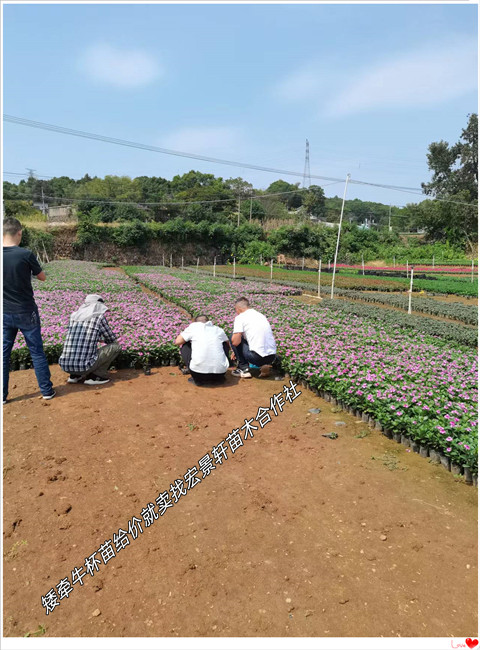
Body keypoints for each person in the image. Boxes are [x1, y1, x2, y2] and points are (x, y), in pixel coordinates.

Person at [3, 217, 55, 404]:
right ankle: (47, 391)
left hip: (4, 313)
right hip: (26, 311)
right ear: (19, 232)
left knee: (4, 353)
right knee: (36, 351)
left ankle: (2, 396)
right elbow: (42, 277)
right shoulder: (25, 254)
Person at [59, 294, 121, 385]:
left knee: (79, 347)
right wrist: (104, 340)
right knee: (116, 347)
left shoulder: (73, 316)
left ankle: (74, 376)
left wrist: (96, 338)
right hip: (85, 366)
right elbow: (111, 338)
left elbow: (79, 336)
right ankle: (96, 377)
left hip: (65, 365)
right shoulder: (99, 317)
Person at [175, 315, 231, 386]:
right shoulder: (218, 330)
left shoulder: (193, 328)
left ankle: (191, 369)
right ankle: (218, 370)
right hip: (220, 374)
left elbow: (177, 342)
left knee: (185, 344)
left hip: (198, 375)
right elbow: (228, 345)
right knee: (224, 343)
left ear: (195, 322)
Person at [230, 297, 277, 379]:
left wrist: (236, 350)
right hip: (271, 357)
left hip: (256, 357)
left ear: (237, 309)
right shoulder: (260, 315)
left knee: (233, 337)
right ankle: (264, 365)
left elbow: (235, 342)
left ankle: (243, 368)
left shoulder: (240, 317)